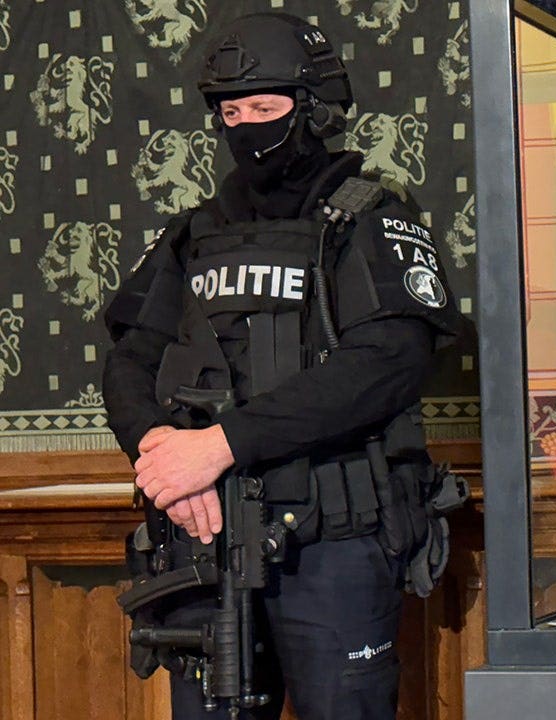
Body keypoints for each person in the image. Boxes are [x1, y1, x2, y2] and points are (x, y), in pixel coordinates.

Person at [101, 12, 461, 719]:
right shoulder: (195, 232)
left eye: (264, 109)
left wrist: (221, 445)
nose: (245, 128)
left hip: (334, 537)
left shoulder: (368, 217)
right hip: (201, 533)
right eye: (230, 112)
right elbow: (129, 361)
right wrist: (163, 457)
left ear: (315, 108)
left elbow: (387, 363)